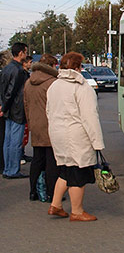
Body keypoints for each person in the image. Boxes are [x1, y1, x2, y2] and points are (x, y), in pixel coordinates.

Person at [46, 52, 105, 222]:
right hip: (77, 136)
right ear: (79, 67)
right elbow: (90, 117)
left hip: (58, 134)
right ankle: (77, 211)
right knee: (78, 174)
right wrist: (97, 142)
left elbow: (49, 112)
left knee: (65, 170)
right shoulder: (81, 86)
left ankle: (55, 205)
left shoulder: (54, 85)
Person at [23, 54, 60, 200]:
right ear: (51, 66)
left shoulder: (28, 82)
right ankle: (52, 192)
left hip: (35, 124)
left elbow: (26, 104)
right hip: (50, 125)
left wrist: (31, 122)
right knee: (52, 160)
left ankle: (34, 191)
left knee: (38, 158)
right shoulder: (52, 83)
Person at [1, 42, 29, 179]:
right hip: (17, 109)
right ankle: (13, 169)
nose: (26, 55)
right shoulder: (19, 71)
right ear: (21, 53)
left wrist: (3, 107)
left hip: (8, 110)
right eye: (25, 52)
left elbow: (4, 91)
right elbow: (12, 92)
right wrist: (5, 106)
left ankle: (7, 168)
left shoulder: (7, 68)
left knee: (8, 141)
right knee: (16, 142)